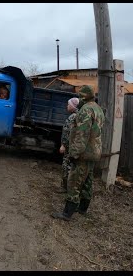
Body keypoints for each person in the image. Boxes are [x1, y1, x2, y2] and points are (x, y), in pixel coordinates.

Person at [51, 85, 105, 221]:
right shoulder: (98, 109)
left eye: (80, 96)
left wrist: (74, 153)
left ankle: (67, 213)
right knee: (87, 180)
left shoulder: (85, 110)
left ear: (83, 97)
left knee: (74, 181)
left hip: (83, 153)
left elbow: (82, 134)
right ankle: (83, 208)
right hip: (94, 152)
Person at [57, 97, 80, 193]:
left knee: (66, 166)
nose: (67, 106)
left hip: (69, 147)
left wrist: (63, 145)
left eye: (68, 104)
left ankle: (65, 187)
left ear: (73, 106)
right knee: (71, 166)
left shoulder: (72, 117)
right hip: (74, 146)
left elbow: (68, 132)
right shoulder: (78, 116)